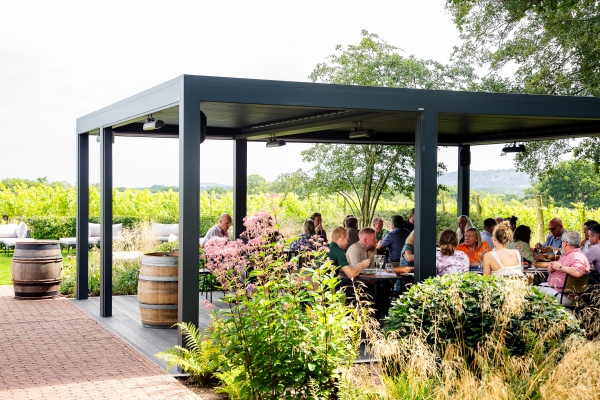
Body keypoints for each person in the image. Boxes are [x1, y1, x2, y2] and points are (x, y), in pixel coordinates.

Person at [537, 231, 590, 306]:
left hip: (564, 296)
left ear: (565, 243)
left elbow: (578, 272)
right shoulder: (570, 255)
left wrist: (560, 267)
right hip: (558, 291)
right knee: (539, 286)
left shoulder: (576, 256)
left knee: (533, 291)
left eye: (561, 242)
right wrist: (552, 270)